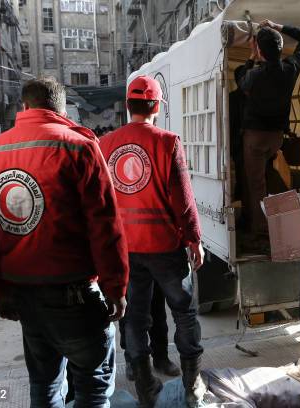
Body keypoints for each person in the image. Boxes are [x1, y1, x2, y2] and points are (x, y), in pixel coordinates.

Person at [0, 77, 129, 408]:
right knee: (93, 389)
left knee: (44, 385)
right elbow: (105, 225)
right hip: (75, 297)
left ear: (23, 108)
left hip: (24, 295)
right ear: (61, 109)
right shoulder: (79, 147)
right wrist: (116, 288)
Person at [99, 75, 205, 407]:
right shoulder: (168, 142)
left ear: (127, 106)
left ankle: (146, 390)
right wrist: (195, 239)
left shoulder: (105, 145)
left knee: (134, 317)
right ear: (156, 106)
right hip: (165, 246)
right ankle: (191, 385)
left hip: (126, 249)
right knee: (184, 313)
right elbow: (183, 202)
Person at [234, 19, 300, 243]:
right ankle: (283, 221)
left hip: (255, 138)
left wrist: (251, 57)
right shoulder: (290, 69)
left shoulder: (254, 76)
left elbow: (240, 80)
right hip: (276, 138)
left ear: (259, 50)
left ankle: (261, 230)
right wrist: (279, 27)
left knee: (256, 183)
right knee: (274, 177)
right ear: (280, 48)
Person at [120, 281, 182, 380]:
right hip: (130, 270)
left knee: (157, 310)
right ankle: (132, 359)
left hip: (155, 268)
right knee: (130, 314)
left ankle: (160, 357)